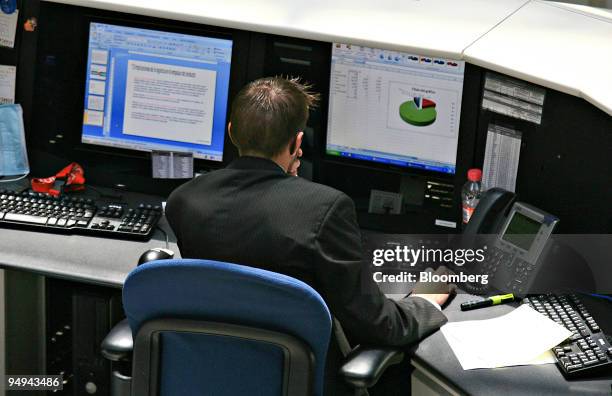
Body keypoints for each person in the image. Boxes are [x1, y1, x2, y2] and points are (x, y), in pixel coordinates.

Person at [165, 76, 453, 395]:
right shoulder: (324, 209)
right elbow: (378, 324)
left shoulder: (184, 201)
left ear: (231, 131)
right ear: (296, 143)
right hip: (298, 380)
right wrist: (427, 300)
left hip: (210, 373)